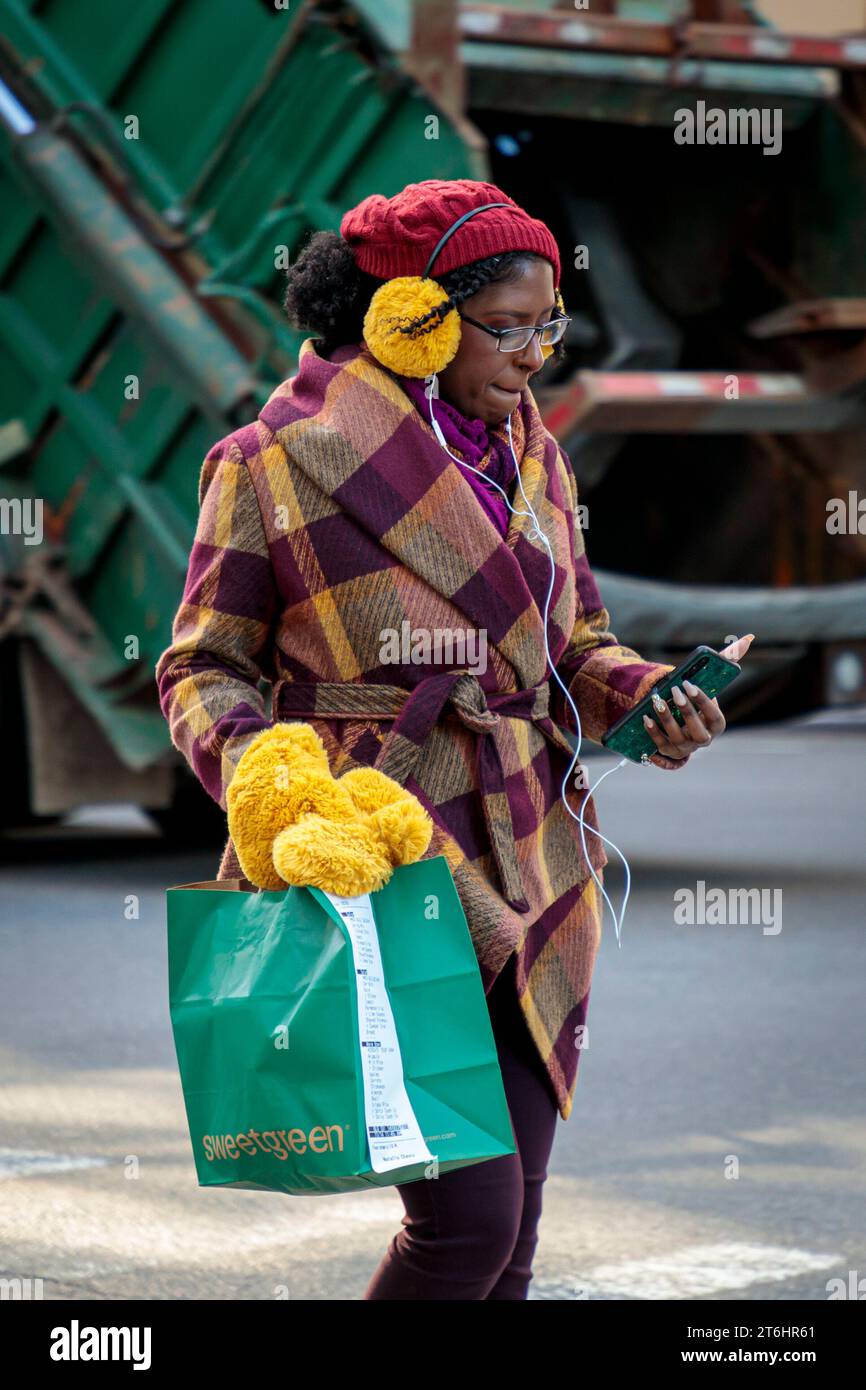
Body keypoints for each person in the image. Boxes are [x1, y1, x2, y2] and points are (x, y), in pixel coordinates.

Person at [155, 178, 755, 1299]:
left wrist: (651, 697)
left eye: (549, 325)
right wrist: (266, 780)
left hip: (533, 853)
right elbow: (202, 664)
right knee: (464, 1230)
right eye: (507, 327)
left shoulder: (534, 453)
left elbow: (576, 643)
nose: (535, 355)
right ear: (411, 319)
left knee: (513, 1233)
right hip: (376, 849)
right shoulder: (268, 460)